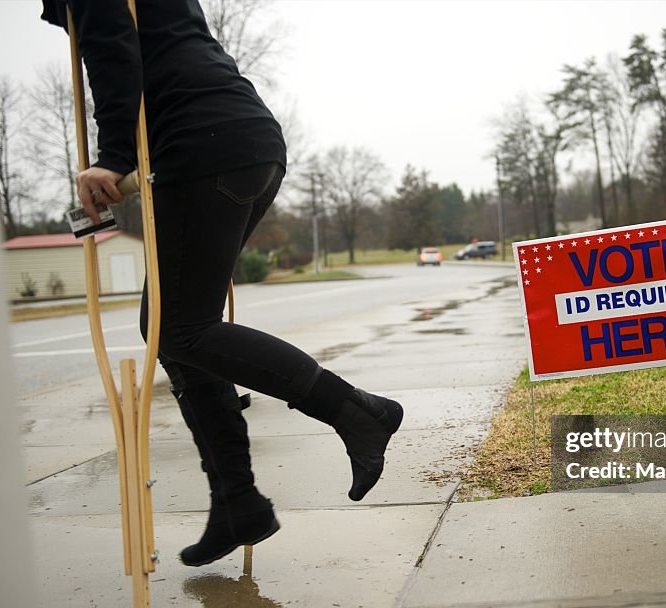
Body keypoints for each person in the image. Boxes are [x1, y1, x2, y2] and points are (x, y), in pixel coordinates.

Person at [40, 0, 402, 567]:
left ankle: (359, 412)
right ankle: (238, 503)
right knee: (169, 328)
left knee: (181, 327)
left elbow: (113, 53)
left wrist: (112, 156)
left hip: (204, 149)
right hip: (244, 142)